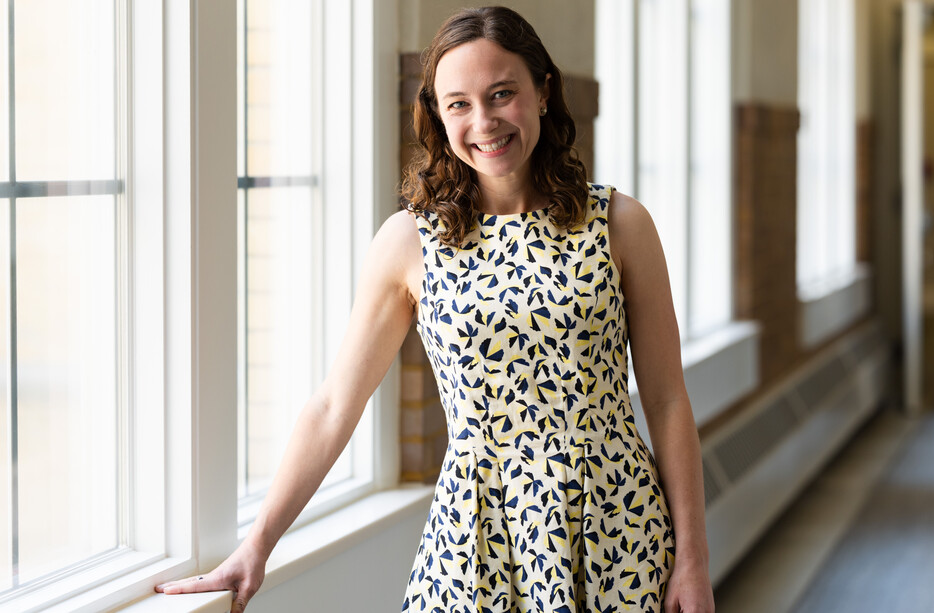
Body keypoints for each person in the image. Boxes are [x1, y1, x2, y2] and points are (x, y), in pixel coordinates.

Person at [157, 6, 714, 612]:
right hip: (476, 541)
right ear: (438, 115)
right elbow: (334, 405)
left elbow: (667, 400)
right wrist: (256, 545)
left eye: (502, 94)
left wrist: (693, 561)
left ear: (544, 91)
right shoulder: (409, 241)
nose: (484, 121)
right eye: (459, 104)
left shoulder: (620, 224)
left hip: (617, 532)